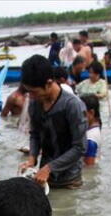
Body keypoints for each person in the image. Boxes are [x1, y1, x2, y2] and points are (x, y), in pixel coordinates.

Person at [19, 55, 88, 190]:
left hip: (69, 180)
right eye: (28, 92)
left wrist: (50, 168)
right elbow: (35, 134)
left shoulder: (72, 105)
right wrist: (32, 158)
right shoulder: (34, 103)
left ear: (49, 83)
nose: (31, 96)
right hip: (43, 178)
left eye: (34, 92)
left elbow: (80, 147)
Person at [80, 94, 102, 166]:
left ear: (91, 113)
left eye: (80, 113)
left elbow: (89, 167)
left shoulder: (90, 140)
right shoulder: (96, 128)